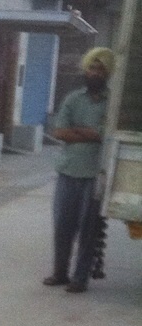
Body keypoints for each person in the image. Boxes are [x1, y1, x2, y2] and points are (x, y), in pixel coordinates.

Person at [43, 46, 112, 294]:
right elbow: (60, 132)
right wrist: (93, 134)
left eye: (100, 69)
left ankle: (80, 278)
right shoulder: (73, 99)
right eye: (92, 68)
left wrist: (80, 132)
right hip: (68, 171)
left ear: (107, 74)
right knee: (62, 225)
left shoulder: (112, 103)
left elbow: (109, 136)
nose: (95, 73)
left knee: (89, 229)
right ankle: (60, 273)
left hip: (96, 175)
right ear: (86, 70)